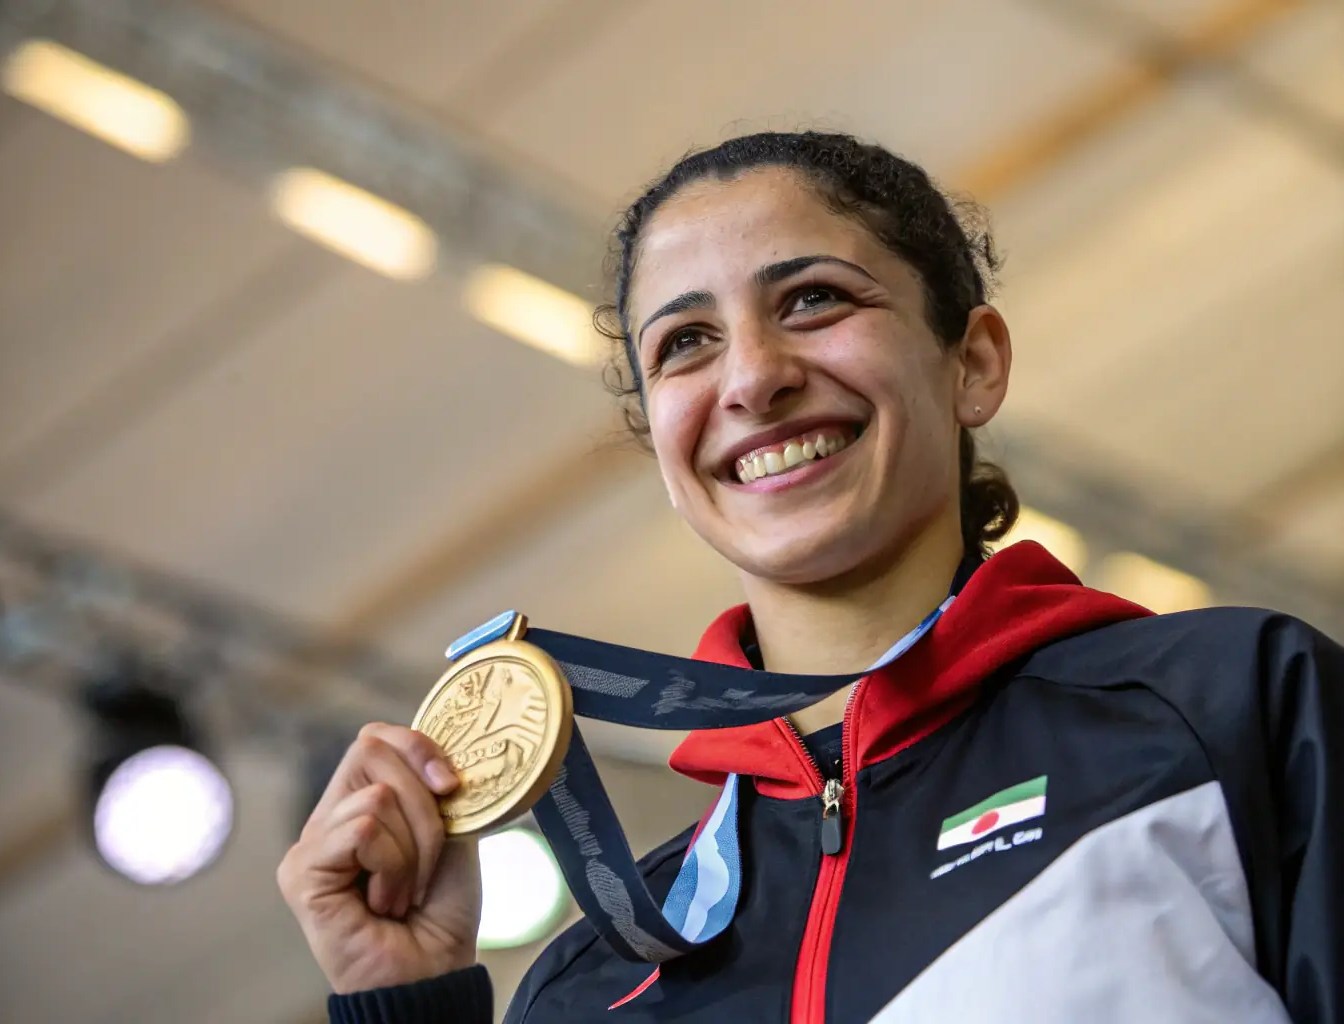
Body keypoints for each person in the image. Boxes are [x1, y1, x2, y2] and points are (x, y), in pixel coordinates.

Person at [278, 131, 1343, 1024]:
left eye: (814, 300)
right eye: (686, 342)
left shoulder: (1228, 708)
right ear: (660, 443)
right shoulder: (592, 982)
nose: (752, 377)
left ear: (972, 364)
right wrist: (404, 1001)